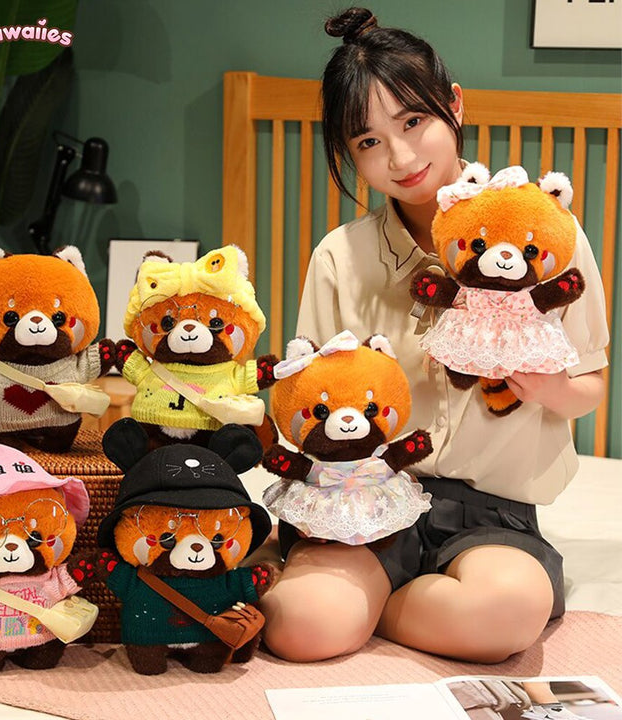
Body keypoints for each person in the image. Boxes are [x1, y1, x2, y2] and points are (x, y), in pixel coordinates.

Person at [258, 7, 608, 664]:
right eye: (368, 141)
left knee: (505, 613)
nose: (401, 156)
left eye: (413, 122)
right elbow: (311, 409)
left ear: (455, 105)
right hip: (365, 499)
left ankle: (380, 607)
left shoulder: (545, 234)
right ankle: (362, 598)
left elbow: (591, 386)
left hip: (493, 515)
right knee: (301, 627)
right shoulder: (340, 257)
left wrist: (545, 386)